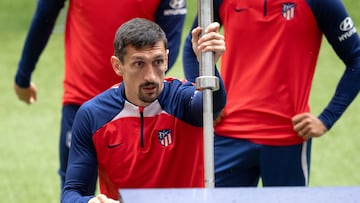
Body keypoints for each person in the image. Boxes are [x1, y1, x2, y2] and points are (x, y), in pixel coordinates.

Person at [14, 0, 187, 191]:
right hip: (82, 96)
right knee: (76, 186)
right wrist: (23, 75)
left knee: (138, 187)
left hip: (140, 106)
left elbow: (166, 42)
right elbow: (46, 13)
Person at [183, 0, 360, 187]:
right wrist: (206, 100)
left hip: (287, 138)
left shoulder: (320, 3)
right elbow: (193, 45)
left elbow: (356, 58)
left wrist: (327, 118)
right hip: (227, 135)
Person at [61, 18, 226, 203]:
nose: (150, 76)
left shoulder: (181, 100)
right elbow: (72, 193)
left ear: (166, 60)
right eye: (139, 64)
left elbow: (212, 105)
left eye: (157, 62)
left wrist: (209, 66)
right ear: (117, 65)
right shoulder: (93, 115)